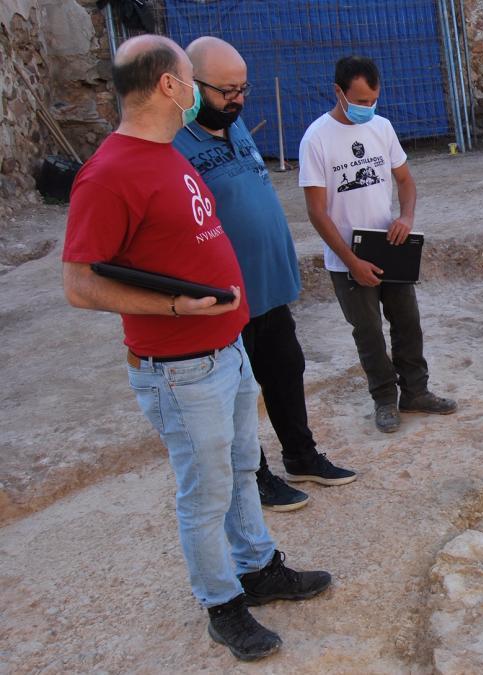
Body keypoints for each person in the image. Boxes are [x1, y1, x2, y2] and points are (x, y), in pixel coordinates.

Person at [61, 35, 330, 661]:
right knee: (205, 489)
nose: (193, 89)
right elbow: (78, 284)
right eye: (189, 78)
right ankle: (222, 604)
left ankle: (259, 567)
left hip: (224, 348)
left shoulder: (167, 153)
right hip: (180, 368)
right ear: (169, 86)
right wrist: (175, 307)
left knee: (239, 469)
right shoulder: (108, 173)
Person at [172, 37, 356, 513]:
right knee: (238, 394)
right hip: (226, 301)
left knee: (285, 372)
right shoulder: (174, 143)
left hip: (269, 290)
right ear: (192, 85)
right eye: (226, 90)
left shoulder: (235, 127)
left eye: (243, 88)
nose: (238, 99)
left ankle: (301, 455)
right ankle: (255, 476)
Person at [298, 55, 457, 433]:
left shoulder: (382, 128)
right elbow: (317, 213)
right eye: (360, 101)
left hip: (390, 244)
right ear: (339, 92)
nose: (368, 108)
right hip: (348, 257)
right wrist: (352, 262)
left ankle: (416, 391)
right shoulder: (315, 140)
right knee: (368, 332)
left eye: (373, 100)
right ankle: (385, 400)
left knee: (408, 322)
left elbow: (406, 181)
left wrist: (406, 218)